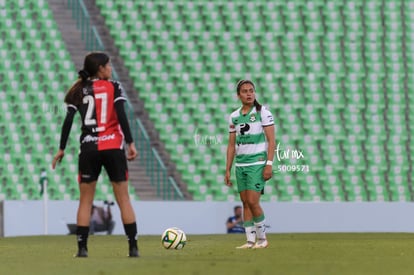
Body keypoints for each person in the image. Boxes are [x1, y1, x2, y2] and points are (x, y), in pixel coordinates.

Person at [51, 52, 139, 257]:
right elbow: (121, 114)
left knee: (85, 201)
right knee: (124, 200)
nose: (110, 68)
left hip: (89, 149)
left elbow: (68, 121)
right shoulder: (114, 86)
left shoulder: (78, 89)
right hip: (112, 147)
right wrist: (130, 142)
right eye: (108, 65)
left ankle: (82, 250)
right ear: (100, 68)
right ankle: (133, 248)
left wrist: (61, 148)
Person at [225, 80, 275, 249]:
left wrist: (269, 164)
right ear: (238, 95)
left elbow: (272, 140)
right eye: (245, 91)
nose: (249, 94)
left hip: (257, 163)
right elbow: (231, 145)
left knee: (253, 201)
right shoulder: (234, 116)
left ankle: (262, 239)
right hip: (241, 165)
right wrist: (228, 169)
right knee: (245, 202)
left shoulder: (263, 113)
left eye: (251, 90)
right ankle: (249, 241)